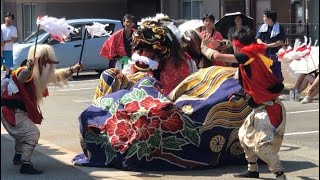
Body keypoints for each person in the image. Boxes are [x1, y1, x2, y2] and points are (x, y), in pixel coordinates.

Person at [202, 27, 287, 179]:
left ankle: (280, 175)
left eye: (234, 45)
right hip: (260, 107)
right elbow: (249, 79)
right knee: (244, 136)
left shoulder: (250, 54)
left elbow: (220, 56)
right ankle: (253, 170)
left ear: (238, 45)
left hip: (270, 108)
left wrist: (204, 48)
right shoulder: (253, 55)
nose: (233, 48)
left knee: (263, 146)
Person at [1, 44, 82, 174]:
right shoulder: (24, 71)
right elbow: (22, 76)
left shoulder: (40, 74)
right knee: (32, 134)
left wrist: (72, 69)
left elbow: (56, 76)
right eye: (46, 62)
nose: (49, 67)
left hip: (17, 112)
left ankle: (18, 156)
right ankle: (25, 164)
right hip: (11, 112)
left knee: (23, 134)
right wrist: (29, 66)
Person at [256, 9, 285, 82]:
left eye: (264, 17)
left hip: (275, 52)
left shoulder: (280, 28)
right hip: (263, 52)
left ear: (270, 18)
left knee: (276, 68)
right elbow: (258, 38)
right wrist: (262, 44)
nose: (263, 18)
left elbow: (280, 42)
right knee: (264, 69)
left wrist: (268, 45)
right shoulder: (262, 27)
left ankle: (278, 83)